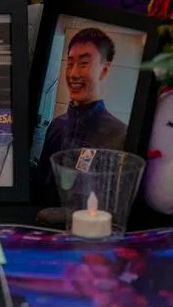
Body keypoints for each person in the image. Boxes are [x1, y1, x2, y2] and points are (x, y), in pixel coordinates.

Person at [36, 28, 127, 195]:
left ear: (104, 70)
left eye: (84, 63)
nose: (73, 74)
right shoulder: (56, 126)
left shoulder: (120, 136)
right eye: (70, 64)